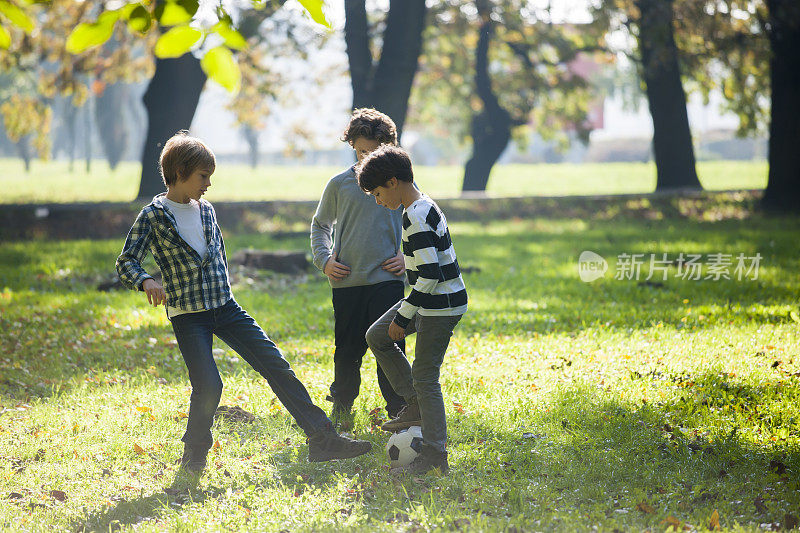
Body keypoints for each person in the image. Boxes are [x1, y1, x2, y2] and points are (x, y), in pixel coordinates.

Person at [116, 131, 372, 473]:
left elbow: (216, 256)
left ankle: (323, 438)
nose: (208, 184)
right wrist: (146, 280)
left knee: (275, 364)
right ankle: (194, 456)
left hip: (225, 307)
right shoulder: (153, 215)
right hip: (189, 316)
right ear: (179, 173)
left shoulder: (206, 210)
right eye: (202, 177)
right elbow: (126, 261)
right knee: (209, 384)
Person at [358, 145, 468, 475]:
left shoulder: (417, 215)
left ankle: (435, 455)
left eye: (377, 194)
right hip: (430, 298)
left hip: (441, 304)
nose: (378, 201)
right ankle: (415, 403)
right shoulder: (418, 207)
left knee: (425, 376)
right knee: (376, 335)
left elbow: (432, 275)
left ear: (393, 182)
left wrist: (404, 317)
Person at [310, 108, 407, 429]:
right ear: (352, 146)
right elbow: (320, 225)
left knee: (391, 344)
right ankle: (342, 405)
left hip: (388, 281)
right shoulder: (339, 185)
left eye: (375, 153)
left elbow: (416, 221)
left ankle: (401, 407)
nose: (368, 160)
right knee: (348, 348)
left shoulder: (399, 184)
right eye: (362, 152)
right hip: (347, 282)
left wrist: (406, 257)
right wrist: (325, 261)